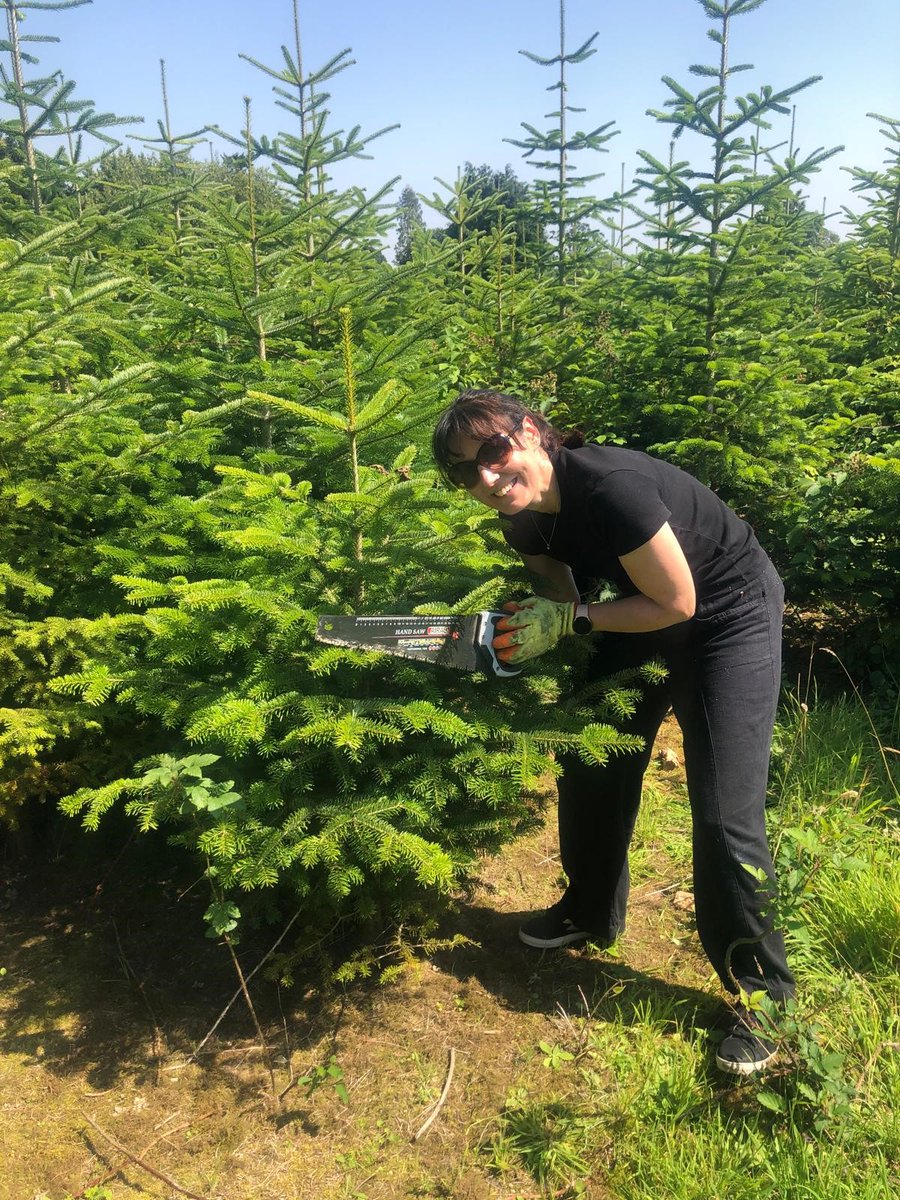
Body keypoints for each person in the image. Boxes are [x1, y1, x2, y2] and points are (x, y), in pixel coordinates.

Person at [432, 388, 795, 1075]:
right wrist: (522, 630)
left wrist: (575, 621)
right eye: (463, 472)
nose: (486, 476)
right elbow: (563, 601)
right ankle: (589, 910)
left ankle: (764, 998)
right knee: (589, 753)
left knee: (724, 818)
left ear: (532, 431)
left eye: (492, 450)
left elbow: (676, 601)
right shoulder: (524, 525)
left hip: (728, 615)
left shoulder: (611, 489)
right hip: (643, 614)